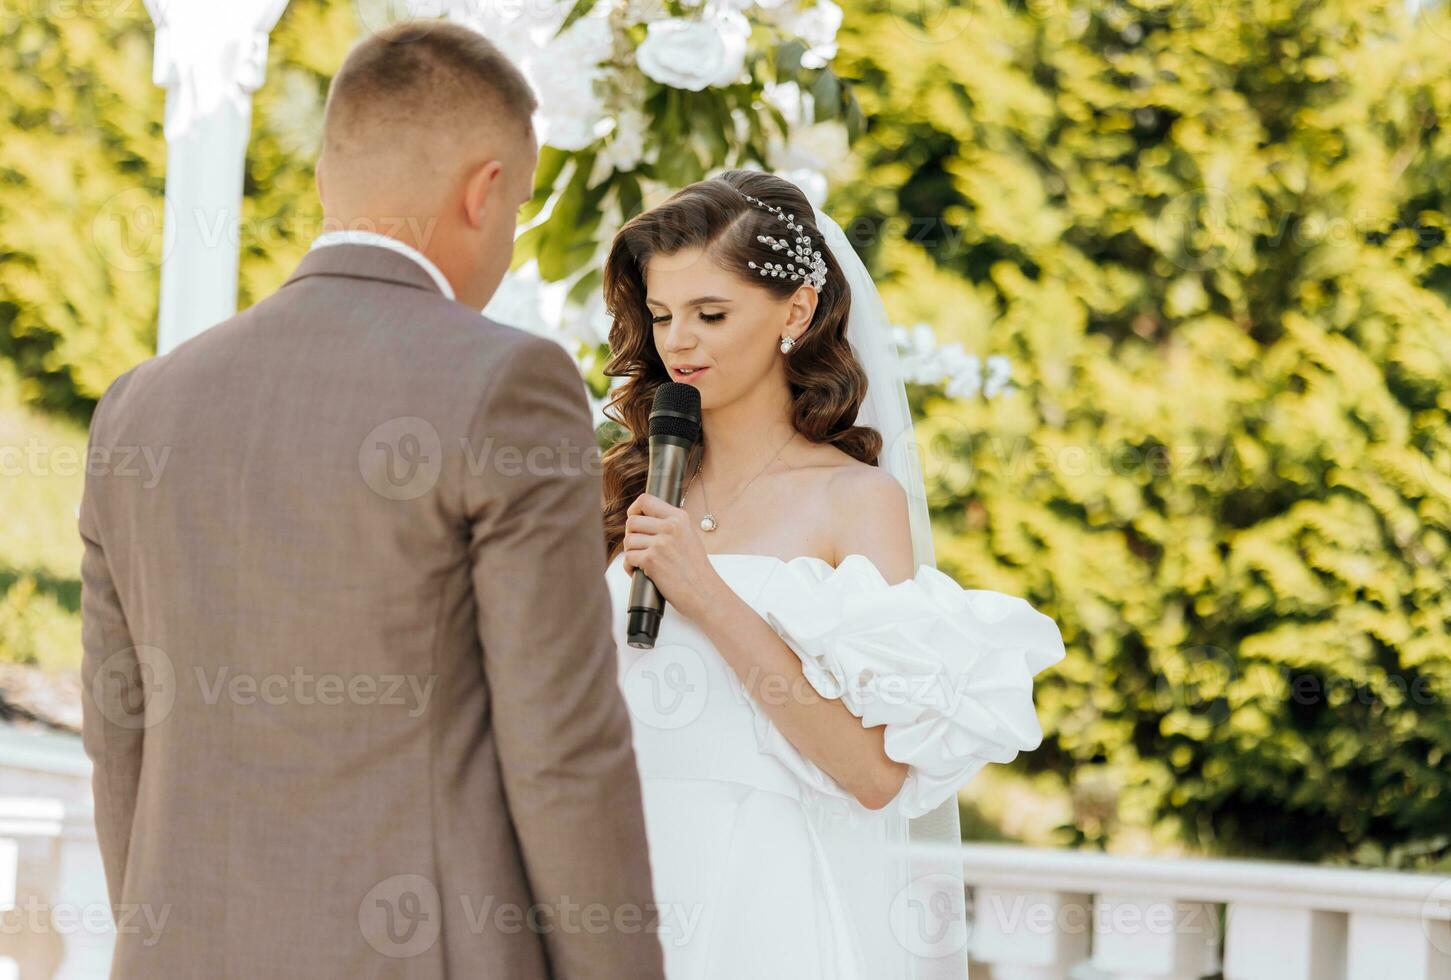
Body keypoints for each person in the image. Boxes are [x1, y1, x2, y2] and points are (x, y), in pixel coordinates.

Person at [79, 21, 663, 978]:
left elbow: (121, 738)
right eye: (515, 208)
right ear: (483, 192)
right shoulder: (506, 382)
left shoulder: (140, 405)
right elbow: (562, 752)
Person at [601, 169, 1067, 979]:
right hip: (608, 875)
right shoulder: (624, 488)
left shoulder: (855, 501)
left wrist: (705, 592)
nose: (678, 341)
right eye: (664, 314)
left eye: (712, 314)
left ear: (798, 310)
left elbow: (874, 773)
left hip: (756, 898)